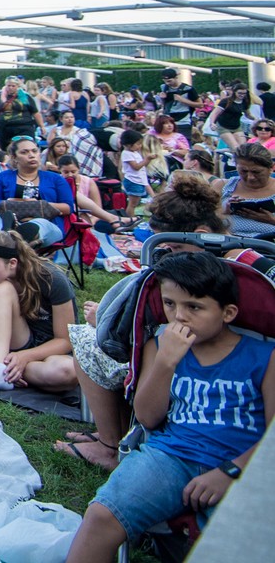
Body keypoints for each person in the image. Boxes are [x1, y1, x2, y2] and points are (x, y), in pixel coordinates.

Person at [65, 252, 272, 563]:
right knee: (101, 515)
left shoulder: (265, 356)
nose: (179, 316)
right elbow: (147, 417)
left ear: (228, 312)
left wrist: (231, 471)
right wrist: (165, 362)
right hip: (171, 454)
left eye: (194, 307)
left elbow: (272, 437)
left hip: (243, 462)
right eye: (169, 304)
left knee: (237, 543)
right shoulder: (159, 346)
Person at [55, 177, 261, 471]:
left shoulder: (189, 275)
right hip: (241, 363)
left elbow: (133, 332)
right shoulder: (254, 266)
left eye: (174, 247)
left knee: (86, 340)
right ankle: (113, 432)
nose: (168, 254)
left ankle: (109, 445)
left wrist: (103, 317)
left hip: (181, 357)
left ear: (201, 236)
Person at [0, 228, 77, 393]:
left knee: (67, 373)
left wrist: (24, 357)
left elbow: (65, 340)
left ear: (12, 263)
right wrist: (0, 365)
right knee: (0, 288)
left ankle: (1, 369)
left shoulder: (52, 278)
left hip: (49, 351)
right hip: (15, 343)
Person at [0, 136, 74, 246]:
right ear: (14, 157)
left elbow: (68, 207)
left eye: (34, 151)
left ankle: (23, 237)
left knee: (38, 224)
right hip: (9, 218)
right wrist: (18, 202)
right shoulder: (2, 177)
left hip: (47, 223)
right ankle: (5, 239)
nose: (31, 155)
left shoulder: (55, 179)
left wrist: (37, 205)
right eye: (24, 152)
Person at [220, 141, 275, 236]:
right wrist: (223, 211)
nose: (250, 177)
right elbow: (203, 220)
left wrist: (272, 220)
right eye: (243, 171)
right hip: (229, 240)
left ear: (271, 168)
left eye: (256, 172)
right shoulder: (223, 186)